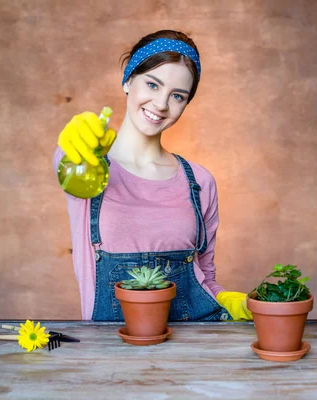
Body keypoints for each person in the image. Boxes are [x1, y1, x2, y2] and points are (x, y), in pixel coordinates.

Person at [53, 30, 253, 322]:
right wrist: (73, 147)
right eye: (152, 84)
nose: (161, 104)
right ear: (127, 80)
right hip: (114, 353)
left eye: (177, 96)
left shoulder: (199, 182)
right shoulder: (88, 164)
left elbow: (205, 275)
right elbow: (68, 164)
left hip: (195, 347)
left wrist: (224, 300)